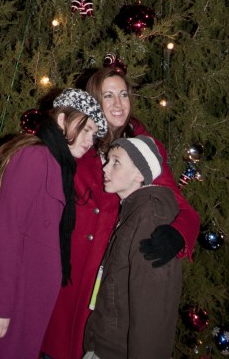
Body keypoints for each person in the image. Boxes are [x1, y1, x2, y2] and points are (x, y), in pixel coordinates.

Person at [40, 58, 200, 359]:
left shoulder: (142, 150)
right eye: (108, 95)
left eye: (123, 94)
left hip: (106, 285)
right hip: (65, 280)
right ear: (93, 101)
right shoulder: (76, 143)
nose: (118, 103)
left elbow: (185, 211)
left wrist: (178, 235)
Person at [0, 88, 108, 359]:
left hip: (23, 297)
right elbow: (7, 232)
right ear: (62, 119)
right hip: (1, 302)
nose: (89, 140)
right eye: (85, 129)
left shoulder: (59, 165)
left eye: (93, 134)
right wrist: (0, 306)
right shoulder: (36, 158)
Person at [82, 136, 182, 359]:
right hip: (103, 345)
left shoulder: (150, 219)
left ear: (140, 174)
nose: (105, 168)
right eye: (107, 160)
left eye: (116, 162)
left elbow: (152, 306)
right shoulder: (132, 212)